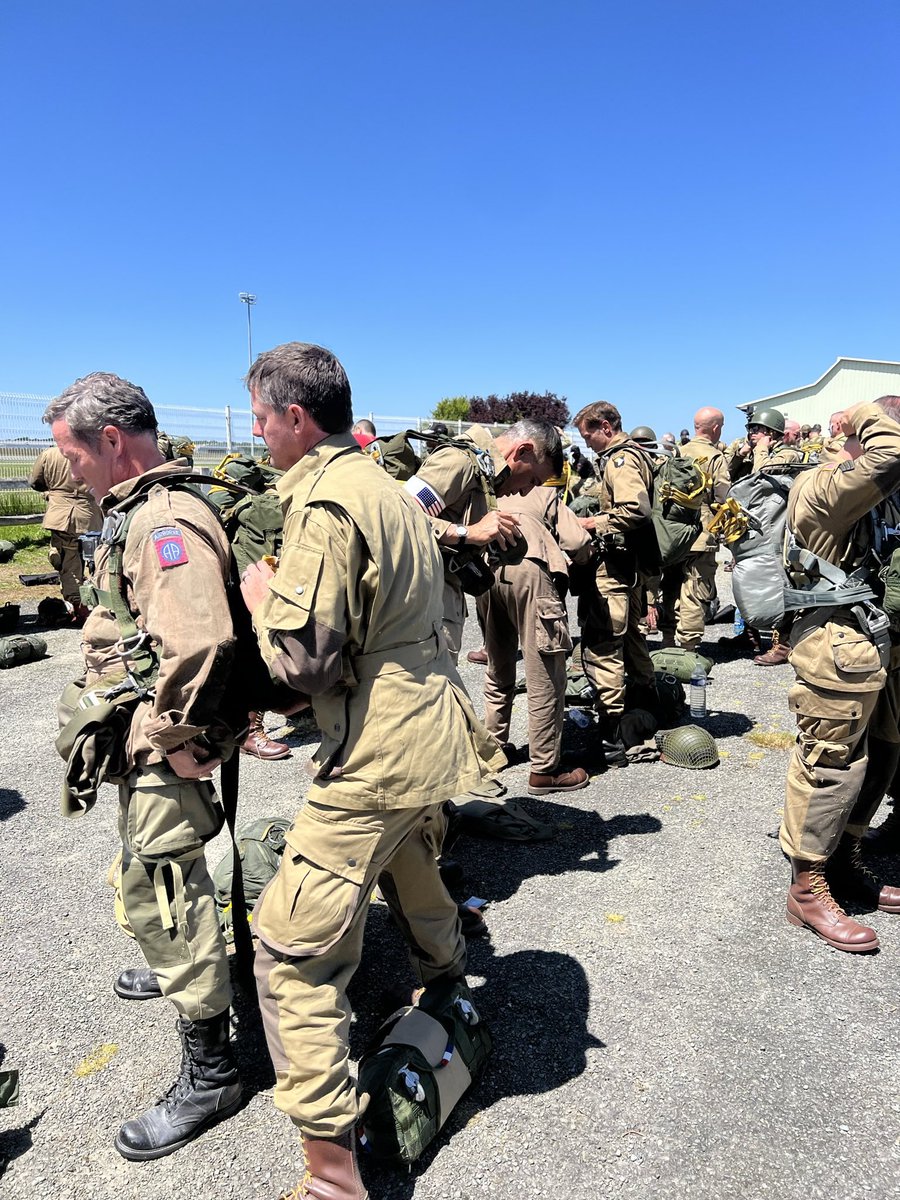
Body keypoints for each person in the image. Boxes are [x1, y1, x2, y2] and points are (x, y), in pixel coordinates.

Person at [239, 341, 504, 1198]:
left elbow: (306, 665)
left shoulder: (326, 503)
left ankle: (333, 1178)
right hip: (430, 729)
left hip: (377, 750)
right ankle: (448, 985)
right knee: (408, 859)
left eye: (260, 418)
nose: (256, 434)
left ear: (294, 416)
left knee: (292, 953)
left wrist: (260, 604)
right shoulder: (384, 484)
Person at [45, 373, 242, 1158]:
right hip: (146, 736)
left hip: (163, 745)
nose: (70, 472)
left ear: (111, 441)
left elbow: (200, 639)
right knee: (147, 877)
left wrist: (173, 733)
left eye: (72, 456)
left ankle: (214, 1071)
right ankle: (179, 976)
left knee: (166, 893)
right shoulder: (137, 510)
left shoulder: (163, 520)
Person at [779, 400, 900, 953]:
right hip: (835, 644)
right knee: (830, 765)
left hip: (875, 643)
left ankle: (845, 860)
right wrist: (867, 412)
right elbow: (889, 453)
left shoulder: (877, 490)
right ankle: (807, 888)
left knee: (884, 754)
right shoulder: (823, 484)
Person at [402, 419, 563, 663]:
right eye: (532, 480)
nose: (525, 492)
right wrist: (468, 532)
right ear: (523, 451)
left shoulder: (483, 474)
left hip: (435, 611)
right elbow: (399, 518)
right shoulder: (458, 461)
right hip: (421, 615)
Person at [477, 483, 592, 794]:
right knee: (546, 676)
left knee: (498, 669)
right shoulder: (544, 493)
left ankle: (493, 750)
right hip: (529, 572)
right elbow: (577, 540)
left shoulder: (492, 489)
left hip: (488, 574)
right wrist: (585, 558)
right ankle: (544, 770)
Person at [572, 402, 658, 762]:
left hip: (616, 568)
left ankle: (611, 738)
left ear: (605, 427)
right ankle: (646, 712)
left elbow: (635, 509)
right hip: (631, 567)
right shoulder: (632, 455)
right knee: (633, 638)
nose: (586, 442)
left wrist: (590, 523)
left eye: (588, 435)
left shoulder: (621, 460)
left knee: (604, 644)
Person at [656, 407, 730, 651]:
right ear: (716, 428)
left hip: (672, 531)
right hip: (701, 532)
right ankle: (688, 646)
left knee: (670, 585)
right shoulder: (715, 457)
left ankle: (667, 639)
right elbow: (722, 497)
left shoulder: (677, 452)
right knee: (695, 587)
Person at [28, 444, 102, 619]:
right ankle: (101, 603)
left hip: (61, 516)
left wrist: (55, 490)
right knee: (97, 560)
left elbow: (35, 482)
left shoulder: (49, 454)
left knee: (68, 562)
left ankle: (79, 608)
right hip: (90, 514)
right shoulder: (93, 451)